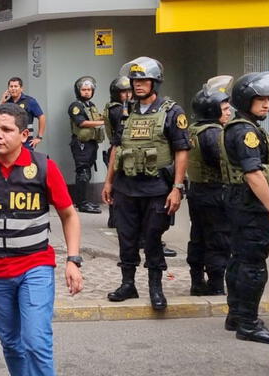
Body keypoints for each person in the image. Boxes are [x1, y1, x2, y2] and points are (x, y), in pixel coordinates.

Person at [0, 103, 83, 376]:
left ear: (24, 135)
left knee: (36, 342)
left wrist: (73, 260)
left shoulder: (44, 166)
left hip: (35, 267)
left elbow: (69, 215)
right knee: (11, 343)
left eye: (6, 129)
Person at [102, 56, 190, 309]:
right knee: (126, 237)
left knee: (152, 238)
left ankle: (155, 288)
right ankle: (128, 284)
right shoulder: (124, 112)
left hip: (157, 189)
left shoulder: (172, 112)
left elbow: (182, 150)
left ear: (155, 82)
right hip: (126, 186)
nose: (137, 85)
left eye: (143, 80)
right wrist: (108, 182)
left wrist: (177, 187)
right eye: (134, 81)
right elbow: (116, 149)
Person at [220, 71, 269, 344]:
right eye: (259, 99)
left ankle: (236, 315)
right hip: (250, 206)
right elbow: (253, 174)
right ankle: (248, 324)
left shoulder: (243, 125)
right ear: (245, 99)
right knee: (253, 265)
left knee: (239, 260)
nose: (266, 105)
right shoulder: (246, 132)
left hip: (239, 203)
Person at [186, 75, 234, 296]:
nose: (229, 111)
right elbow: (224, 163)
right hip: (214, 192)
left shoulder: (194, 129)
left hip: (197, 191)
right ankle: (216, 283)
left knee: (198, 236)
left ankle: (197, 280)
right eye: (224, 108)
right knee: (218, 238)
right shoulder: (214, 134)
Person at [68, 76, 104, 214]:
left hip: (91, 143)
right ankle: (81, 203)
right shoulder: (76, 106)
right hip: (81, 144)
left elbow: (96, 119)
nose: (87, 92)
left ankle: (84, 200)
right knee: (82, 172)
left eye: (89, 89)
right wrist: (102, 123)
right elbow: (81, 123)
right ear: (78, 91)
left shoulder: (91, 106)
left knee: (87, 172)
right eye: (84, 89)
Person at [103, 76, 132, 228]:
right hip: (120, 150)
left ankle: (114, 219)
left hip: (114, 148)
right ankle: (117, 218)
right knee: (118, 186)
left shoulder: (111, 107)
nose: (127, 95)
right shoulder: (119, 110)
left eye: (129, 91)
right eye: (123, 92)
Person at [0, 77, 46, 150]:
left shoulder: (29, 101)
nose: (13, 88)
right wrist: (2, 101)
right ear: (8, 89)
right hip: (10, 141)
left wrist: (39, 137)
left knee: (26, 161)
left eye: (16, 86)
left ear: (21, 88)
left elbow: (41, 117)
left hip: (26, 142)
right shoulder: (6, 102)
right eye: (11, 86)